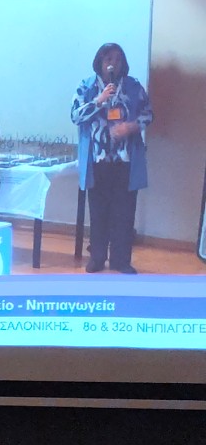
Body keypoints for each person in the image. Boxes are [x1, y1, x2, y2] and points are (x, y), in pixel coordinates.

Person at [72, 42, 153, 274]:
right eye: (108, 59)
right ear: (99, 61)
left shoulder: (133, 86)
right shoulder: (87, 86)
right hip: (97, 161)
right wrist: (99, 100)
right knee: (99, 212)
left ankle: (121, 260)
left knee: (124, 213)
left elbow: (148, 114)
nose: (112, 64)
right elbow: (75, 116)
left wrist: (131, 127)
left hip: (125, 161)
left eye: (117, 60)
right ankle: (97, 257)